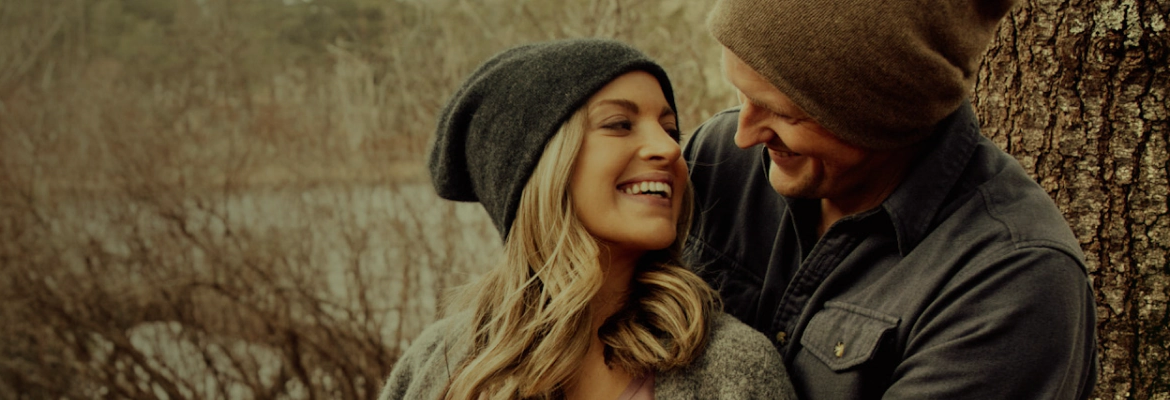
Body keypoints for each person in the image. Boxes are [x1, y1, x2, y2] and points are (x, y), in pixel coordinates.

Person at [681, 0, 1099, 398]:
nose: (744, 134)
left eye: (785, 113)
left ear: (882, 114)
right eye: (741, 93)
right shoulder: (718, 161)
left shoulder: (1011, 285)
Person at [379, 39, 795, 400]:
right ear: (540, 168)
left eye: (670, 130)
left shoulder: (730, 367)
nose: (668, 150)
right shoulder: (441, 360)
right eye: (620, 124)